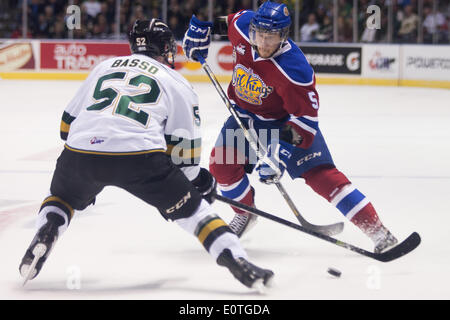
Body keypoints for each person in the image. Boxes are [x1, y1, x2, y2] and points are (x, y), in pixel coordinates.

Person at [19, 19, 274, 291]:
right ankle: (239, 262)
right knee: (195, 214)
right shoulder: (177, 81)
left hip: (80, 154)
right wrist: (198, 184)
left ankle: (47, 230)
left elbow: (66, 126)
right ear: (166, 48)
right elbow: (183, 155)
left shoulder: (104, 67)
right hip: (139, 158)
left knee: (62, 198)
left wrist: (89, 165)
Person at [183, 1, 398, 253]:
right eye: (259, 35)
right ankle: (246, 213)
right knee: (222, 167)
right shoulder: (243, 25)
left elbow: (305, 123)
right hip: (244, 117)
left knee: (324, 178)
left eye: (271, 37)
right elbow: (226, 23)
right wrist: (203, 29)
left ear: (283, 36)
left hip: (285, 124)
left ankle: (378, 232)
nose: (263, 43)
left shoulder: (295, 69)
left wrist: (278, 155)